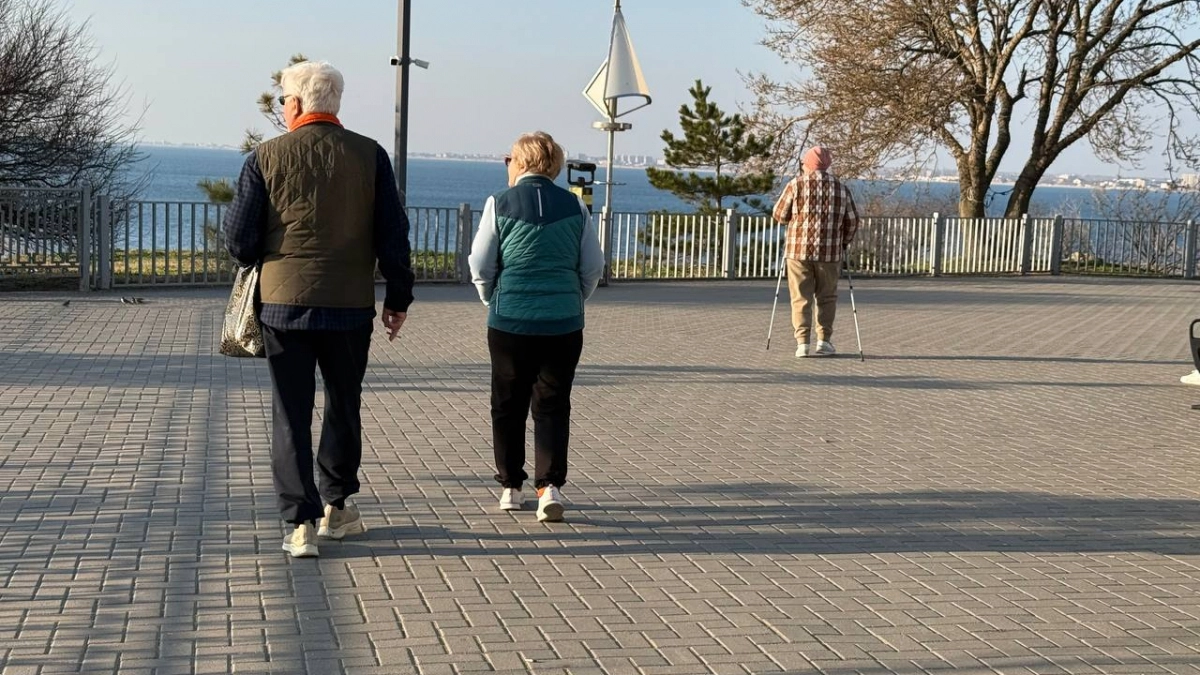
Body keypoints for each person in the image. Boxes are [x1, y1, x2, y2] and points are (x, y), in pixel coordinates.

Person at [223, 61, 415, 558]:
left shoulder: (263, 157)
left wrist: (265, 258)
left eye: (285, 99)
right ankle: (338, 506)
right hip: (351, 305)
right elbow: (393, 233)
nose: (285, 106)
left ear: (297, 104)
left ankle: (299, 524)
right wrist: (398, 298)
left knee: (290, 413)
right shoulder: (371, 156)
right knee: (342, 404)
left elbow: (240, 241)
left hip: (283, 304)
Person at [468, 131, 605, 522]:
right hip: (563, 323)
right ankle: (549, 487)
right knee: (552, 404)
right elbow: (593, 266)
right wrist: (575, 296)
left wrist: (490, 297)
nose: (507, 165)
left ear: (521, 162)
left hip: (510, 320)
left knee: (507, 403)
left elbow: (480, 263)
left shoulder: (500, 202)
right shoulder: (575, 206)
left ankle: (511, 486)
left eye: (508, 158)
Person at [771, 146, 860, 358]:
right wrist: (843, 242)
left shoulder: (795, 185)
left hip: (798, 252)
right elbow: (853, 221)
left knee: (801, 297)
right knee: (827, 297)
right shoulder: (841, 188)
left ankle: (802, 343)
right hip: (829, 253)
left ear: (807, 164)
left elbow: (779, 214)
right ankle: (824, 341)